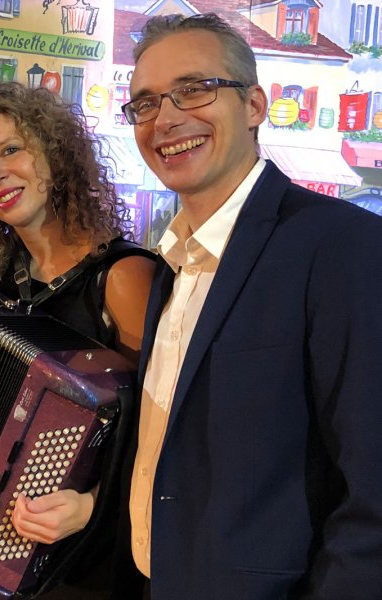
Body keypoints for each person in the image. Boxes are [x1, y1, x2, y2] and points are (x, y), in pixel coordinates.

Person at [123, 13, 382, 599]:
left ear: (254, 106)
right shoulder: (171, 260)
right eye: (144, 104)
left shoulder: (340, 246)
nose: (166, 118)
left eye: (194, 88)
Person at [0, 82, 154, 599]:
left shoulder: (123, 277)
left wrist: (92, 504)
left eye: (11, 149)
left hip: (81, 561)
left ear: (54, 154)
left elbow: (164, 436)